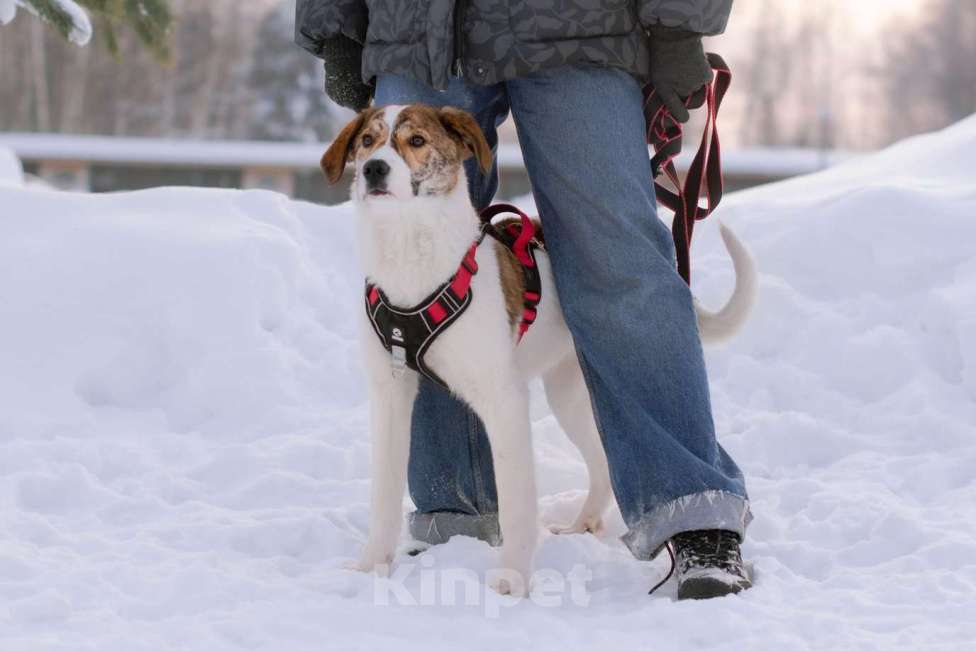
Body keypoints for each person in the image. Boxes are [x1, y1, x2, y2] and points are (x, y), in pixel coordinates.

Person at [296, 0, 752, 600]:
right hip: (417, 24)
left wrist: (676, 21)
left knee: (618, 257)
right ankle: (456, 513)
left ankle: (693, 514)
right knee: (417, 285)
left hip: (581, 24)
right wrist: (334, 24)